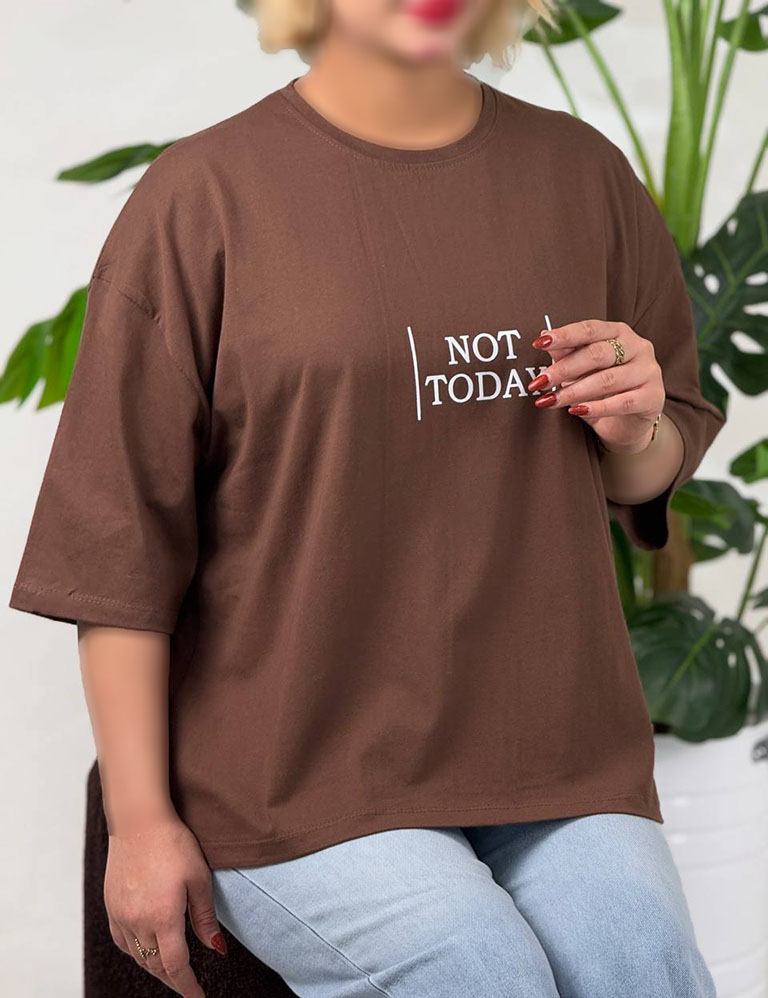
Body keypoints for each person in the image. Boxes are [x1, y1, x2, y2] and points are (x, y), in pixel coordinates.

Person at [9, 0, 725, 995]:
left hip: (555, 752)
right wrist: (138, 824)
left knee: (645, 964)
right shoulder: (203, 198)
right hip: (295, 773)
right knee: (480, 970)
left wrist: (637, 425)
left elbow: (642, 466)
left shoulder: (584, 175)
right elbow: (118, 544)